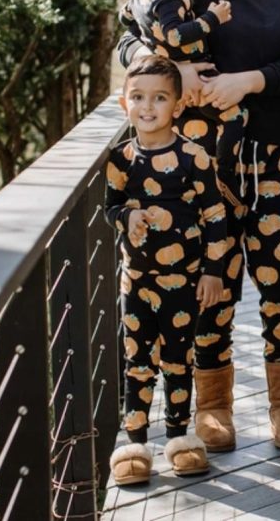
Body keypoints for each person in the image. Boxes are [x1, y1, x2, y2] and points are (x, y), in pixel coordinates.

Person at [117, 0, 280, 452]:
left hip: (274, 153)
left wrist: (247, 82)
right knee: (214, 277)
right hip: (205, 166)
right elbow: (130, 33)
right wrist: (162, 70)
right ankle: (213, 406)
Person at [105, 56, 226, 483]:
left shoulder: (193, 157)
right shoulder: (121, 160)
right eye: (138, 97)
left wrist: (213, 271)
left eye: (159, 98)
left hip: (183, 282)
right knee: (137, 360)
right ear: (125, 104)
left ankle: (179, 438)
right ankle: (135, 443)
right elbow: (111, 206)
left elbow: (214, 216)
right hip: (135, 281)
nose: (148, 107)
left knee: (178, 359)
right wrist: (125, 218)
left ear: (177, 106)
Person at [119, 0, 246, 207]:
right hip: (198, 77)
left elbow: (124, 20)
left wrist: (146, 36)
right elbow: (175, 35)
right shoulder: (169, 0)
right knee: (235, 116)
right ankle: (224, 173)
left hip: (175, 85)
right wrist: (213, 19)